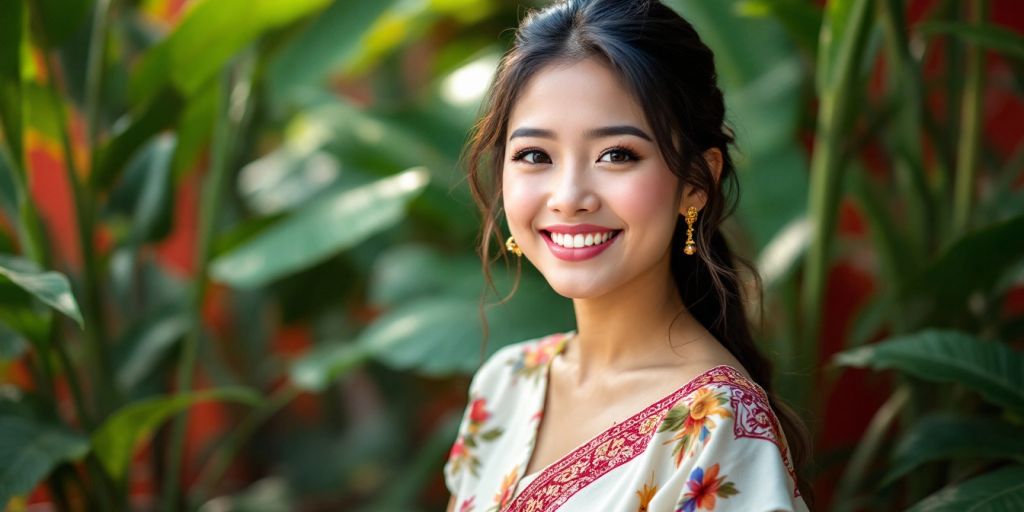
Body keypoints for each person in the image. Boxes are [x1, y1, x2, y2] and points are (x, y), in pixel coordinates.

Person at [444, 0, 812, 510]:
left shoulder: (716, 426)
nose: (569, 196)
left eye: (617, 155)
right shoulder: (507, 384)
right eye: (535, 155)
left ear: (695, 182)